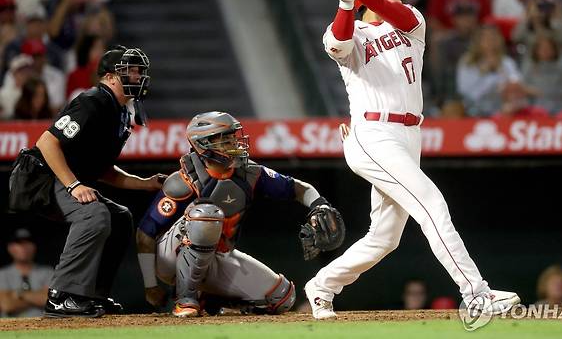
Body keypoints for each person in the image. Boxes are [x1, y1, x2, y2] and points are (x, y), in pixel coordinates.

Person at [306, 0, 519, 320]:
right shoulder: (349, 31)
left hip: (408, 135)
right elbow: (339, 45)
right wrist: (345, 0)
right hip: (373, 134)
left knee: (385, 238)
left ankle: (322, 285)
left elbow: (397, 14)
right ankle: (476, 294)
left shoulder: (411, 22)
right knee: (432, 205)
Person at [136, 111, 344, 317]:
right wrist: (150, 286)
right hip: (170, 259)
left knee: (281, 297)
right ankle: (185, 300)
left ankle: (209, 299)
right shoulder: (182, 181)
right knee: (206, 214)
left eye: (232, 137)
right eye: (224, 139)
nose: (234, 144)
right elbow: (145, 233)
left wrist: (320, 205)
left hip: (217, 255)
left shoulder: (250, 173)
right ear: (203, 144)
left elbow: (298, 188)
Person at [31, 46, 165, 318]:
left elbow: (102, 169)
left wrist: (145, 183)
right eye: (132, 70)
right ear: (110, 76)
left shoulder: (120, 110)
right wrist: (73, 185)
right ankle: (61, 296)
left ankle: (92, 294)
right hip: (43, 178)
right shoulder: (92, 100)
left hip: (67, 177)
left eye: (139, 71)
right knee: (94, 215)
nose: (138, 76)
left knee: (119, 217)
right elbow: (46, 142)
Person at [457, 24, 521, 116]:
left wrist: (500, 71)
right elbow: (465, 91)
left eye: (493, 38)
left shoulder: (506, 62)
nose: (490, 41)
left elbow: (516, 83)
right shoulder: (468, 62)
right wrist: (486, 74)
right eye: (486, 38)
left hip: (503, 109)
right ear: (478, 41)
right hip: (474, 109)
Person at [0, 228, 53, 318]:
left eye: (27, 242)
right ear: (10, 248)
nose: (23, 247)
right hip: (12, 328)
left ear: (34, 246)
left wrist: (19, 294)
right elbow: (7, 305)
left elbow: (52, 301)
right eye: (19, 243)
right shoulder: (2, 274)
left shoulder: (48, 272)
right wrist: (38, 296)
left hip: (43, 327)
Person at [521, 36, 562, 114]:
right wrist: (531, 91)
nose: (545, 51)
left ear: (554, 50)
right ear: (536, 50)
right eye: (542, 48)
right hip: (535, 107)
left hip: (561, 105)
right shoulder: (529, 66)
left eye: (548, 48)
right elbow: (523, 86)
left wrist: (546, 92)